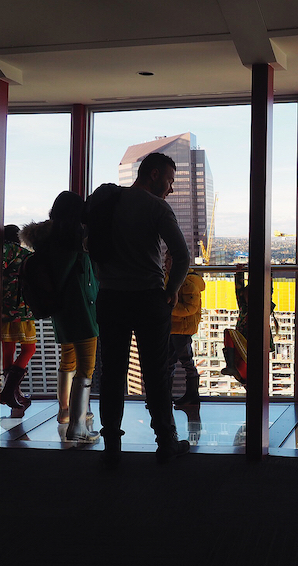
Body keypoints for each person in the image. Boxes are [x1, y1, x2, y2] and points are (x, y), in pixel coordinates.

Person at [85, 152, 191, 466]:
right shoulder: (157, 208)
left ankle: (112, 446)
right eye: (170, 181)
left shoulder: (107, 203)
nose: (171, 189)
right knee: (156, 374)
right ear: (154, 174)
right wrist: (171, 290)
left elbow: (88, 242)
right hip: (148, 299)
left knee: (113, 373)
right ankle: (166, 442)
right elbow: (182, 257)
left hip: (110, 298)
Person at [20, 191, 100, 442]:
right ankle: (78, 426)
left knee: (68, 361)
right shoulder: (73, 241)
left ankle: (64, 412)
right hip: (82, 310)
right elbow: (82, 279)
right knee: (86, 368)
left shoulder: (46, 241)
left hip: (61, 311)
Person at [220, 263, 277, 388]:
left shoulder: (263, 307)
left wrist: (269, 274)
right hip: (245, 342)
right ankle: (232, 368)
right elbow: (239, 289)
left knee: (246, 365)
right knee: (246, 365)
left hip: (253, 342)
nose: (247, 298)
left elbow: (268, 290)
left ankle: (233, 368)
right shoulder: (246, 307)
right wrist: (239, 272)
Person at [0, 224, 36, 412]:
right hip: (20, 308)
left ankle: (14, 393)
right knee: (29, 348)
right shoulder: (21, 253)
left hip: (2, 308)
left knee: (8, 349)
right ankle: (9, 391)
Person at [164, 250, 205, 406]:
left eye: (167, 260)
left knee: (185, 361)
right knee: (170, 363)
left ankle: (191, 395)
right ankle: (169, 396)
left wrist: (167, 308)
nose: (164, 263)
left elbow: (190, 308)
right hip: (173, 328)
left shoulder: (188, 282)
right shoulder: (174, 279)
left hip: (182, 329)